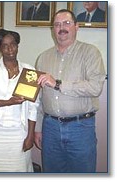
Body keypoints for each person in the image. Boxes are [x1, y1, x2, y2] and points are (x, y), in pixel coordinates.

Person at [34, 9, 106, 173]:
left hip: (80, 128)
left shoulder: (90, 53)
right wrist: (38, 128)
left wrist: (57, 83)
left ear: (77, 26)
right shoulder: (43, 58)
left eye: (66, 23)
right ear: (53, 29)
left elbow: (95, 87)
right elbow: (39, 98)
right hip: (50, 127)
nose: (61, 28)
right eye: (57, 24)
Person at [0, 29, 40, 172]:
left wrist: (30, 135)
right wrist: (9, 102)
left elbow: (33, 108)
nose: (10, 48)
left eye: (13, 44)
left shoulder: (29, 71)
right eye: (5, 45)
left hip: (19, 133)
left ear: (18, 46)